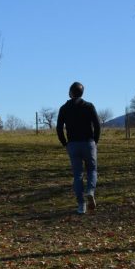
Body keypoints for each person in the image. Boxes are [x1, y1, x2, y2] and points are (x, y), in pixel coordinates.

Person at [56, 81, 101, 215]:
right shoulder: (89, 106)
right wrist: (95, 141)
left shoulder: (64, 108)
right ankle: (90, 191)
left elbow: (59, 128)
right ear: (82, 93)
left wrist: (65, 143)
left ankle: (81, 205)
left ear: (70, 93)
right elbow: (97, 125)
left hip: (73, 144)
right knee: (92, 170)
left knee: (77, 175)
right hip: (88, 143)